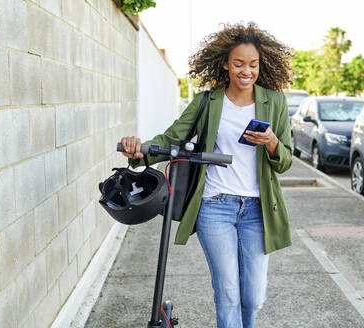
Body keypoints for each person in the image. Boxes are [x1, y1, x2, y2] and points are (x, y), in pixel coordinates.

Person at [120, 22, 293, 328]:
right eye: (238, 63)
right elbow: (172, 139)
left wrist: (272, 143)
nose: (246, 71)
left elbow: (284, 162)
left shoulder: (274, 102)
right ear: (225, 64)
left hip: (257, 209)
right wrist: (140, 150)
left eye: (253, 64)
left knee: (253, 297)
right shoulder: (207, 102)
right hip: (215, 206)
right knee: (227, 293)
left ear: (260, 64)